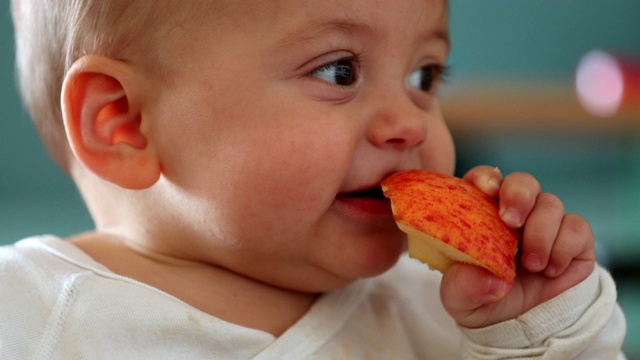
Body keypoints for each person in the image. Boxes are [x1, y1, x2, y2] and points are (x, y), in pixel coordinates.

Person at [1, 1, 626, 358]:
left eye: (424, 77)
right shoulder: (28, 313)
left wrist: (539, 327)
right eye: (338, 71)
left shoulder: (450, 312)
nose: (409, 123)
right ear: (125, 123)